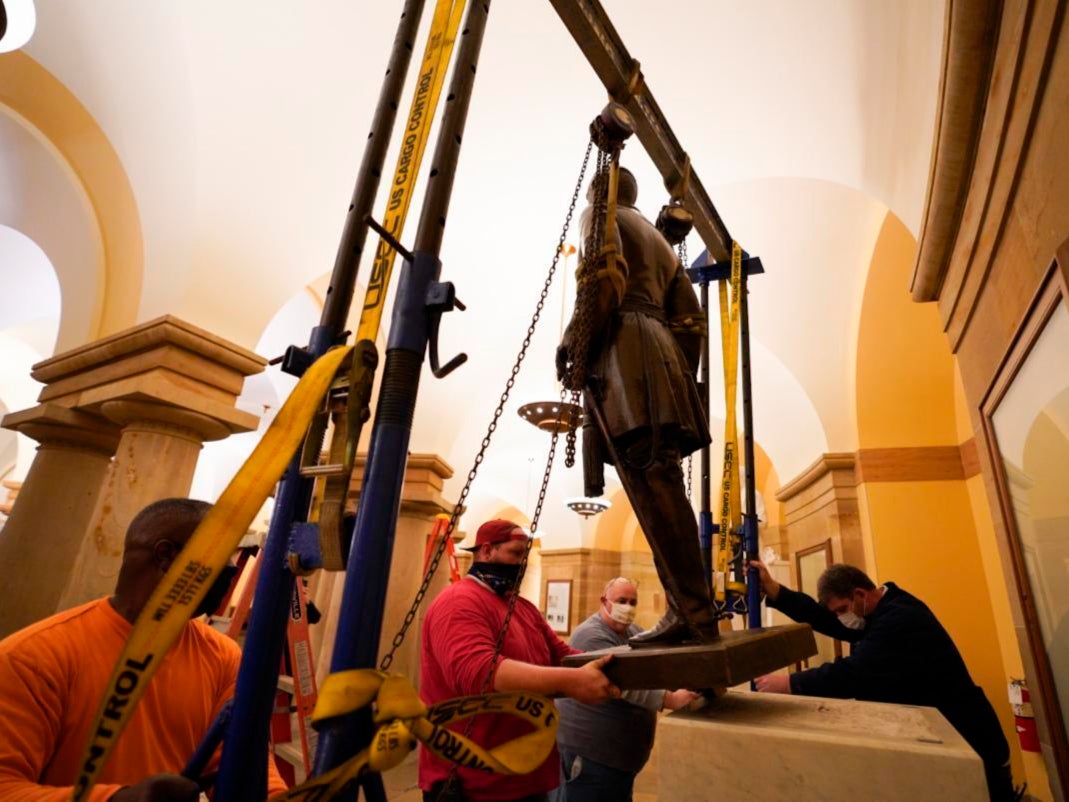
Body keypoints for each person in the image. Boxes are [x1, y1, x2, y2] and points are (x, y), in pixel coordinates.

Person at [0, 498, 288, 801]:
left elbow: (236, 754)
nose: (231, 571)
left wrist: (277, 796)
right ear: (166, 555)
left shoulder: (222, 654)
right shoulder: (32, 658)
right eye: (223, 558)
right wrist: (119, 799)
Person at [557, 166, 717, 647]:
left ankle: (692, 613)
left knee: (653, 487)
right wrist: (679, 375)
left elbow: (602, 275)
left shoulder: (598, 213)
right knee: (662, 486)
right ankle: (690, 609)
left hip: (627, 357)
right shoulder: (661, 240)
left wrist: (573, 341)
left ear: (598, 190)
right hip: (660, 356)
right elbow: (690, 322)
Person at [749, 560, 1015, 802]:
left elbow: (854, 673)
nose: (842, 618)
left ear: (860, 595)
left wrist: (790, 683)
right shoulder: (875, 611)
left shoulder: (900, 618)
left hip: (970, 743)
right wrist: (775, 591)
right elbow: (826, 619)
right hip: (945, 744)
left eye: (843, 609)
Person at [419, 519, 620, 802]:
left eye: (525, 556)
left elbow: (563, 656)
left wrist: (628, 664)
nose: (521, 564)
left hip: (526, 776)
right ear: (486, 551)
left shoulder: (521, 606)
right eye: (515, 554)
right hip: (474, 781)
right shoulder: (459, 601)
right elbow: (480, 673)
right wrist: (573, 682)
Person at [554, 578, 700, 801]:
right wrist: (670, 699)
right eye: (622, 600)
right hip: (592, 757)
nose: (628, 607)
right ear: (604, 601)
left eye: (633, 602)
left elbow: (653, 663)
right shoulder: (591, 635)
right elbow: (620, 680)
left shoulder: (633, 631)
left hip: (619, 760)